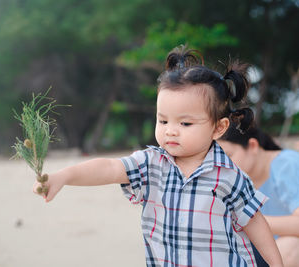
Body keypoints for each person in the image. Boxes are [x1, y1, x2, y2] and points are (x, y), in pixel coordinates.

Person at [33, 46, 283, 266]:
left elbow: (255, 223)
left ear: (218, 128)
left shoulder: (229, 176)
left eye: (185, 124)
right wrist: (64, 176)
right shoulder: (150, 164)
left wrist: (276, 265)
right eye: (163, 120)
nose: (170, 130)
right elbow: (108, 168)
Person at [219, 125, 299, 266]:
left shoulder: (287, 164)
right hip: (271, 251)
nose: (224, 166)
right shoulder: (234, 182)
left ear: (252, 146)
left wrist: (248, 222)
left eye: (228, 156)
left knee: (290, 248)